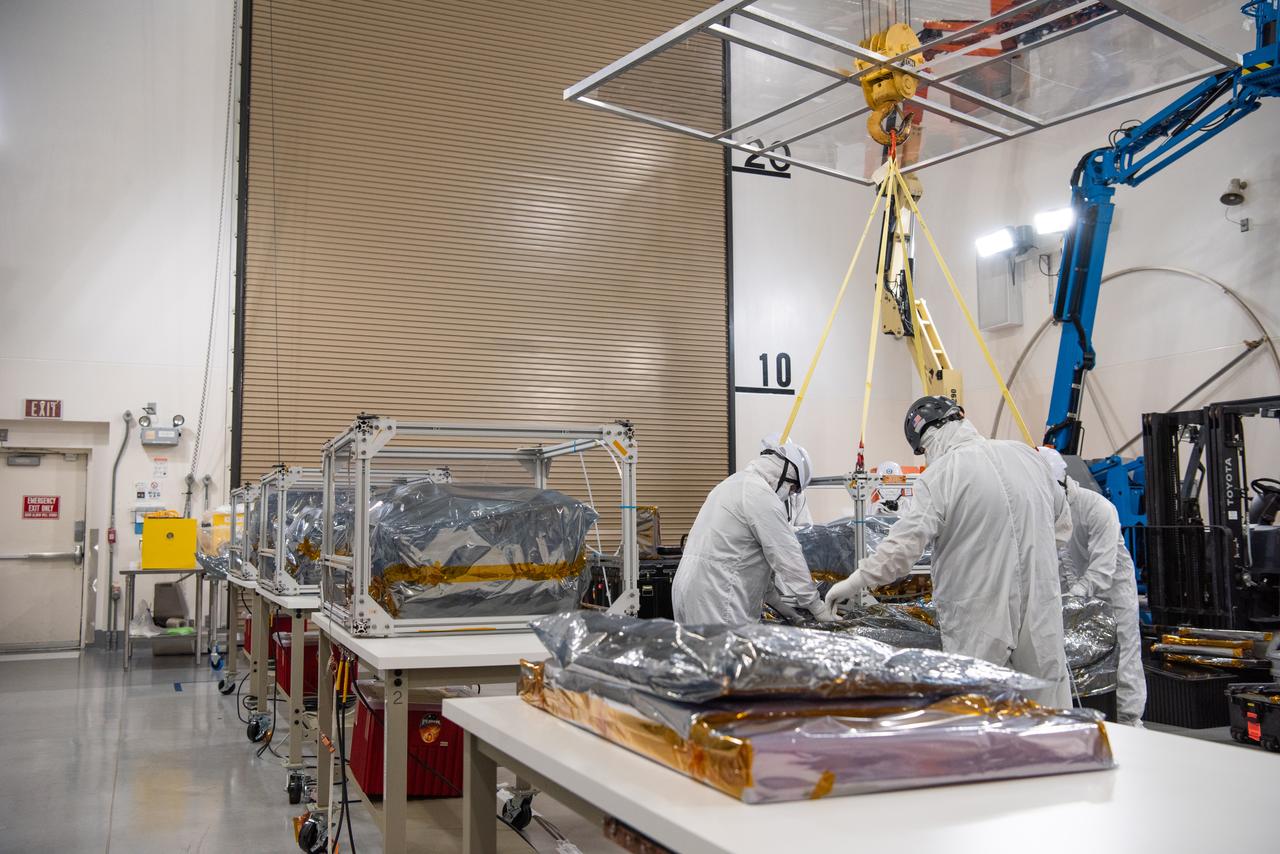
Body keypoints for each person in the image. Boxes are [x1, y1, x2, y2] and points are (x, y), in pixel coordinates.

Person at [826, 397, 1073, 707]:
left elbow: (902, 549)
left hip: (978, 610)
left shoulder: (941, 474)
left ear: (925, 441)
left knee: (978, 704)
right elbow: (1062, 527)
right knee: (1050, 699)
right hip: (1041, 604)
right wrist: (1033, 562)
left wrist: (857, 580)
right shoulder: (1028, 456)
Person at [673, 437, 837, 626]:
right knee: (725, 654)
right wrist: (817, 607)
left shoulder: (732, 483)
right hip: (717, 596)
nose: (789, 495)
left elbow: (756, 569)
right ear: (785, 475)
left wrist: (790, 613)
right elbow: (787, 556)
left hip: (688, 589)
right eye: (792, 489)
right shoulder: (760, 495)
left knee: (695, 653)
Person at [1039, 447, 1147, 725]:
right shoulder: (1045, 512)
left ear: (1060, 485)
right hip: (1073, 599)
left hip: (1113, 597)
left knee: (1124, 658)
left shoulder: (1097, 508)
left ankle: (1129, 721)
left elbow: (1102, 568)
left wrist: (1075, 596)